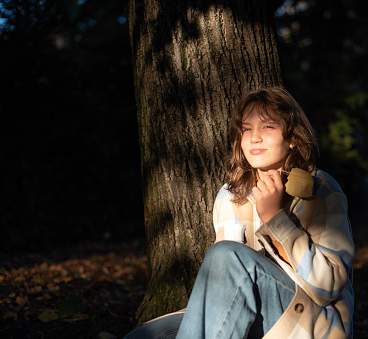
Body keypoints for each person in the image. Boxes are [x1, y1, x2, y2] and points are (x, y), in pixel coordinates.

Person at [125, 87, 354, 339]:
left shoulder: (321, 191)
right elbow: (224, 286)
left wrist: (276, 219)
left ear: (293, 139)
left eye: (268, 127)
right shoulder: (230, 195)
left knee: (225, 254)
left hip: (309, 324)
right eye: (247, 129)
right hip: (253, 317)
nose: (254, 137)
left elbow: (328, 288)